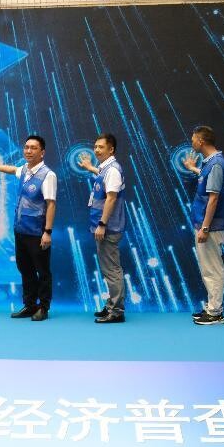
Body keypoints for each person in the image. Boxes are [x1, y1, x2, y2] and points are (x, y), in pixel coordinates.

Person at [0, 135, 57, 321]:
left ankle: (43, 307)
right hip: (20, 229)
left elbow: (51, 204)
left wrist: (47, 232)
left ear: (42, 152)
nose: (28, 151)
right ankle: (30, 305)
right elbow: (12, 169)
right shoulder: (25, 170)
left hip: (37, 232)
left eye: (33, 148)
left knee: (42, 271)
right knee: (25, 269)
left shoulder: (48, 175)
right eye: (26, 147)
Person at [182, 125, 224, 326]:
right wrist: (193, 168)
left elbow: (213, 199)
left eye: (193, 139)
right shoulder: (211, 163)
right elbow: (206, 177)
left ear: (201, 141)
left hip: (210, 227)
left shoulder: (216, 163)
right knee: (208, 269)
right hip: (204, 224)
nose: (192, 142)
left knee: (212, 270)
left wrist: (205, 228)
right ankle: (212, 307)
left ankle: (215, 313)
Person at [80, 134, 126, 323]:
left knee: (112, 270)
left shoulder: (113, 170)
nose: (97, 150)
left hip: (108, 227)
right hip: (103, 226)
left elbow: (111, 198)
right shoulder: (105, 168)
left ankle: (116, 311)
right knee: (108, 269)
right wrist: (89, 167)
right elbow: (100, 174)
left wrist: (102, 224)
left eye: (101, 147)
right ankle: (111, 306)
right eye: (95, 146)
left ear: (111, 149)